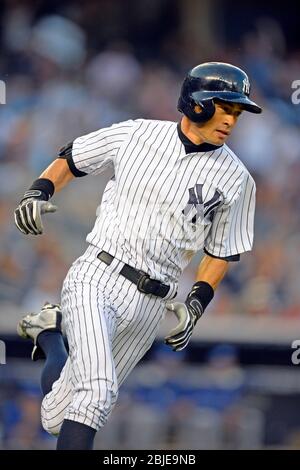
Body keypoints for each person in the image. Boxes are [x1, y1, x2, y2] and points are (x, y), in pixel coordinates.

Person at [14, 62, 262, 450]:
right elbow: (73, 157)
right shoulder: (137, 133)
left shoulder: (238, 180)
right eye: (224, 106)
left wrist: (197, 302)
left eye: (237, 111)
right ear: (195, 103)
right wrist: (39, 190)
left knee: (58, 417)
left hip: (153, 304)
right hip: (99, 275)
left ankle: (50, 333)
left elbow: (221, 252)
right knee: (97, 392)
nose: (232, 119)